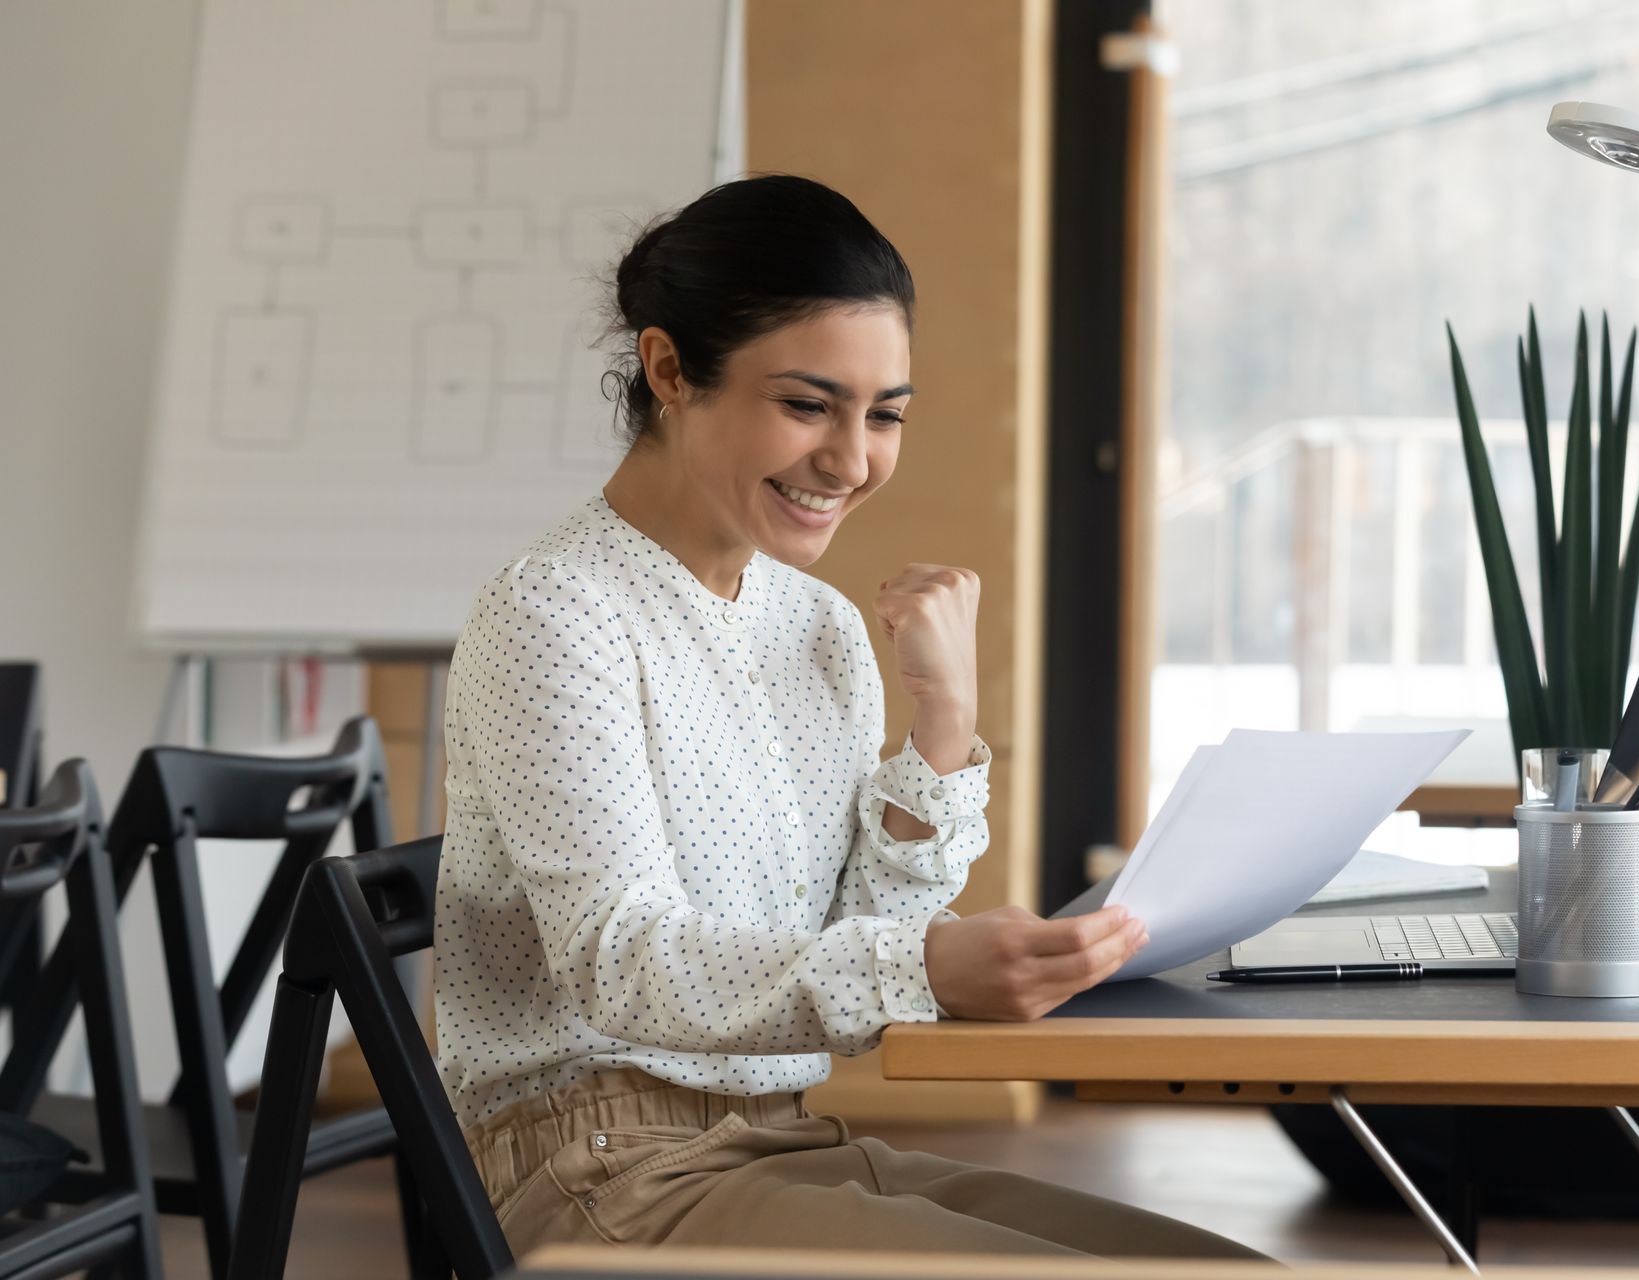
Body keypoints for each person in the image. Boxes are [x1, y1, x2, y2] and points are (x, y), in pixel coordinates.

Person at [433, 173, 1268, 1261]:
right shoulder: (557, 610)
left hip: (786, 1143)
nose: (852, 458)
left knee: (1219, 1265)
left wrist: (945, 717)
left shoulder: (819, 624)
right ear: (670, 367)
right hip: (601, 1174)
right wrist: (927, 965)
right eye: (807, 404)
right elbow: (623, 962)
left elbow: (852, 932)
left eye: (885, 415)